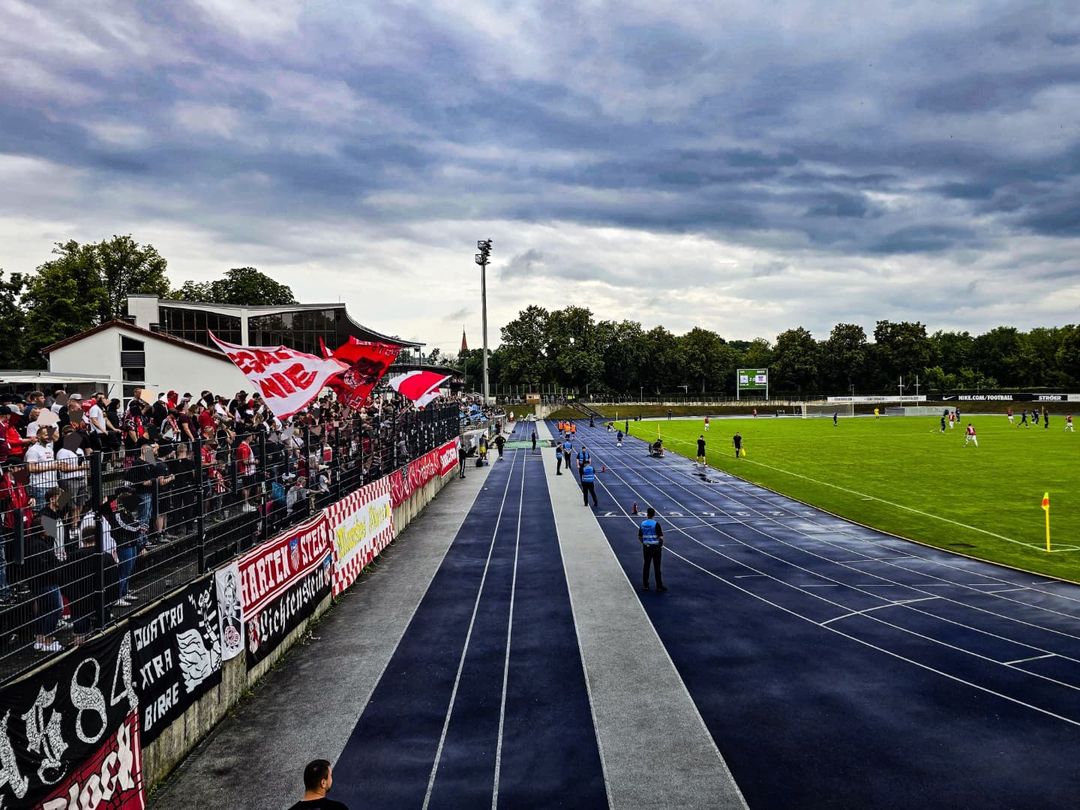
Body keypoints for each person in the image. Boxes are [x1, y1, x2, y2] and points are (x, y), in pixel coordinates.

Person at [639, 507, 666, 592]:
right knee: (657, 567)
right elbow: (661, 537)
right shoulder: (656, 524)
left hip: (646, 548)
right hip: (656, 548)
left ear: (647, 514)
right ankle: (659, 586)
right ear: (654, 515)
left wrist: (644, 542)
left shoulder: (642, 524)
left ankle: (645, 585)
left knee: (646, 566)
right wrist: (660, 545)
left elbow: (640, 536)